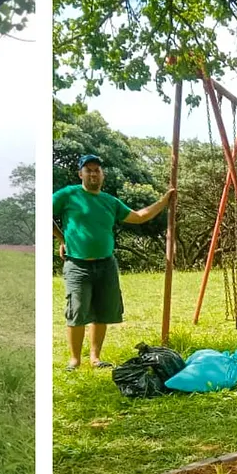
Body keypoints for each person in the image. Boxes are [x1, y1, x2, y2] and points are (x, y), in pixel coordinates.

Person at [53, 154, 176, 371]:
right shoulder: (68, 195)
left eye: (97, 170)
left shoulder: (110, 201)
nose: (93, 173)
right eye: (88, 170)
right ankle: (74, 360)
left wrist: (164, 201)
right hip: (77, 265)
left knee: (102, 311)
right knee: (77, 311)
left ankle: (95, 358)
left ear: (103, 175)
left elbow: (139, 216)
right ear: (80, 174)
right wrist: (62, 239)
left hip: (106, 264)